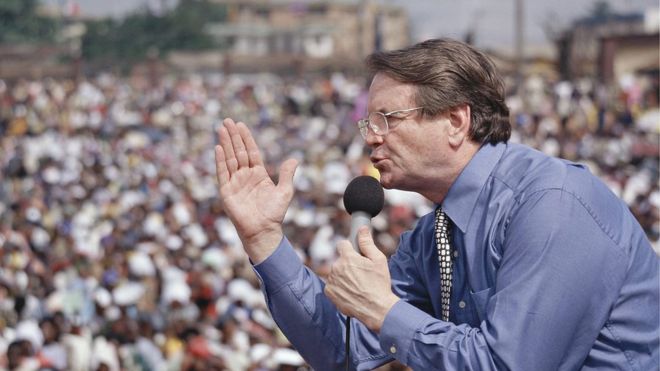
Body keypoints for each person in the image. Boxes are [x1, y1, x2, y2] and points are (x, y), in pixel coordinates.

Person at [214, 38, 659, 370]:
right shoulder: (435, 234)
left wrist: (385, 311)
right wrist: (264, 240)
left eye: (387, 119)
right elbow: (342, 350)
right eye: (368, 121)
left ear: (455, 120)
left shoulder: (551, 205)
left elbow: (509, 365)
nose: (370, 136)